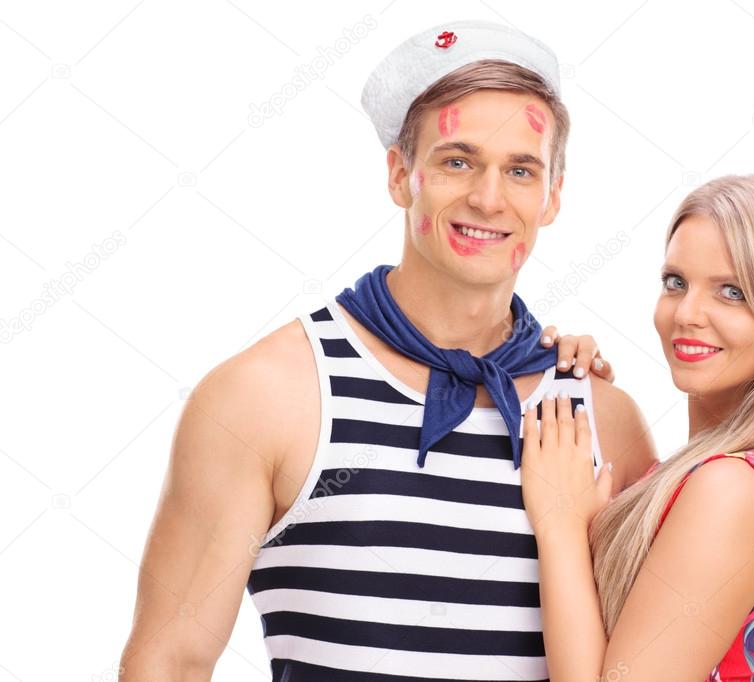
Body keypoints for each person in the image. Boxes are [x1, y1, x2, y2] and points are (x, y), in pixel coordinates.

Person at [118, 20, 657, 681]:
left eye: (520, 170)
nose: (488, 198)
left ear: (551, 197)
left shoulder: (604, 419)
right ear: (401, 175)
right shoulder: (266, 396)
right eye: (456, 161)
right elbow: (168, 663)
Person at [520, 174, 754, 681]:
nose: (687, 314)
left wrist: (560, 525)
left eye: (732, 292)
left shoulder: (730, 488)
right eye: (675, 283)